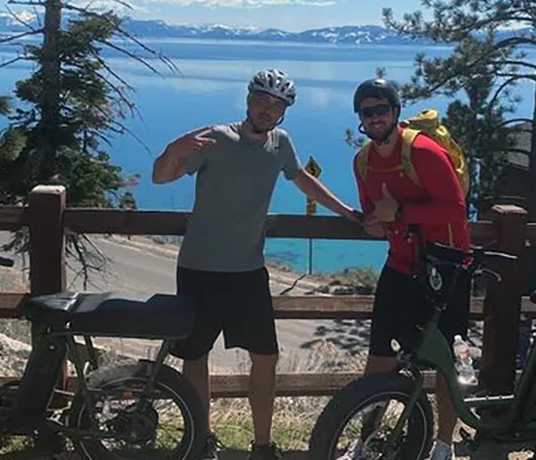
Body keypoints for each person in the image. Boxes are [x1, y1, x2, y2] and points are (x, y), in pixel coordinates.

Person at [151, 68, 361, 460]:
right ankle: (200, 440)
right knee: (195, 356)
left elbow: (302, 180)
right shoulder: (215, 138)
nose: (268, 110)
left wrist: (347, 211)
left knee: (266, 357)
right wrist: (173, 149)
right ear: (248, 100)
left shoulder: (280, 144)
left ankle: (263, 446)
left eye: (277, 105)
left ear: (283, 113)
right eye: (262, 101)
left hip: (248, 271)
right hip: (200, 268)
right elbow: (160, 177)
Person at [350, 77, 472, 460]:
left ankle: (444, 445)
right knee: (380, 357)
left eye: (380, 110)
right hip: (400, 266)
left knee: (446, 362)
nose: (374, 119)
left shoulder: (424, 152)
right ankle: (367, 440)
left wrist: (401, 212)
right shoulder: (363, 161)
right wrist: (375, 220)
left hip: (446, 267)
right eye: (366, 113)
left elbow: (455, 210)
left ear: (396, 112)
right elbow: (375, 214)